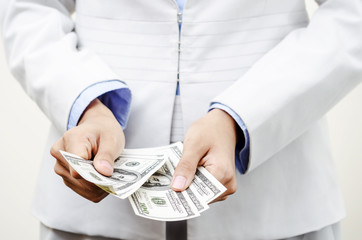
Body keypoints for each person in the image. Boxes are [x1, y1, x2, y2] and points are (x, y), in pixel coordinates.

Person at [2, 0, 362, 239]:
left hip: (275, 206)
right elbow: (31, 8)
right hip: (96, 211)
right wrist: (88, 104)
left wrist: (239, 117)